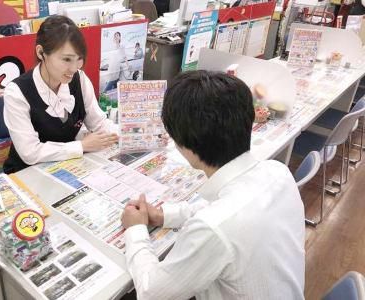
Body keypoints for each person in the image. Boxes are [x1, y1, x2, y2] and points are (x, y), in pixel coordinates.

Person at [121, 70, 305, 300]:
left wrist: (135, 229)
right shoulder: (278, 172)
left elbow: (152, 292)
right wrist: (163, 215)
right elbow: (224, 210)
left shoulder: (213, 227)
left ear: (184, 145)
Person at [3, 15, 118, 174]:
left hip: (66, 167)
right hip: (27, 172)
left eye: (79, 59)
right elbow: (30, 152)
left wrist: (132, 132)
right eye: (66, 59)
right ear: (41, 52)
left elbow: (98, 123)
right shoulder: (17, 92)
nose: (74, 68)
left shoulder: (79, 79)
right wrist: (81, 146)